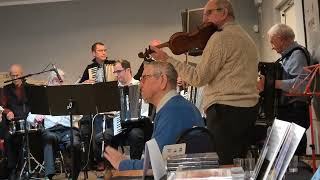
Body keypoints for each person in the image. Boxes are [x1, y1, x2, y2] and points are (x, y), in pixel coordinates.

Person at [150, 0, 259, 164]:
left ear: (223, 13)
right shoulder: (246, 37)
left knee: (224, 165)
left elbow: (198, 78)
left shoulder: (220, 38)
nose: (204, 20)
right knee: (239, 163)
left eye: (208, 13)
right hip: (249, 111)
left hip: (226, 111)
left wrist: (168, 59)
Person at [104, 61, 205, 170]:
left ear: (162, 80)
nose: (140, 84)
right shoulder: (178, 106)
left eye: (144, 78)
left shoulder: (173, 112)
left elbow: (155, 165)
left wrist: (123, 164)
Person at [258, 23, 311, 155]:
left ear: (281, 39)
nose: (272, 47)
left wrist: (270, 84)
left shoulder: (297, 55)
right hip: (289, 111)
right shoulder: (287, 57)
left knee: (293, 155)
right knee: (284, 153)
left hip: (295, 111)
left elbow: (300, 85)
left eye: (272, 42)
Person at [27, 69, 81, 180]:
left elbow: (79, 116)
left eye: (60, 81)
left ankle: (74, 175)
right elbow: (29, 116)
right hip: (51, 130)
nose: (58, 83)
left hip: (68, 129)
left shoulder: (69, 96)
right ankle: (49, 175)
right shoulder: (43, 97)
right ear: (50, 82)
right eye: (55, 80)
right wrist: (36, 117)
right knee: (48, 138)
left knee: (75, 144)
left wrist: (71, 112)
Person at [96, 59, 148, 160]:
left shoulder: (140, 85)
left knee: (136, 135)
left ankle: (134, 165)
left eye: (118, 71)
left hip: (136, 126)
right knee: (101, 138)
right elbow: (107, 108)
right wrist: (110, 112)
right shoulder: (113, 89)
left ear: (128, 70)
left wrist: (144, 109)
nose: (116, 75)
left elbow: (147, 106)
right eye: (115, 72)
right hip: (118, 125)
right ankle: (112, 166)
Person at [78, 42, 117, 170]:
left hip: (113, 104)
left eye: (105, 50)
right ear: (94, 53)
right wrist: (86, 82)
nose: (104, 52)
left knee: (109, 129)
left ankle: (111, 158)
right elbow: (80, 86)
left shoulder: (113, 64)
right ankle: (100, 159)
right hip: (97, 106)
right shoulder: (90, 68)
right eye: (100, 50)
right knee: (97, 129)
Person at [1, 64, 31, 179]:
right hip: (13, 123)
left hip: (28, 121)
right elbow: (2, 106)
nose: (15, 78)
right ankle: (13, 169)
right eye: (12, 76)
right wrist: (7, 112)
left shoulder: (29, 88)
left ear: (22, 74)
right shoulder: (6, 89)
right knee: (8, 138)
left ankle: (28, 169)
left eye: (17, 75)